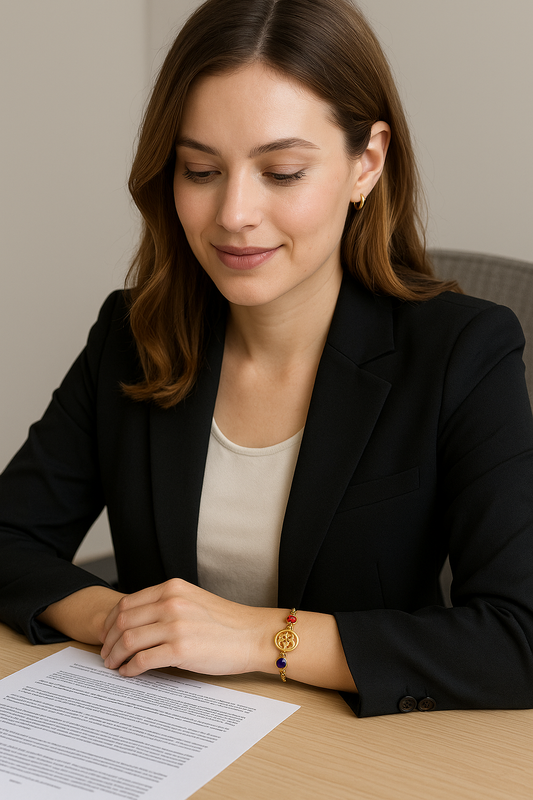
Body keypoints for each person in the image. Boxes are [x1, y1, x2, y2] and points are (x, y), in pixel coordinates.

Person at [1, 0, 533, 719]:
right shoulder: (133, 331)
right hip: (162, 734)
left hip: (355, 754)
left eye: (281, 172)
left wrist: (260, 638)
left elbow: (516, 638)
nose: (233, 214)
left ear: (365, 163)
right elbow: (9, 538)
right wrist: (122, 620)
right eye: (200, 169)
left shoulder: (461, 352)